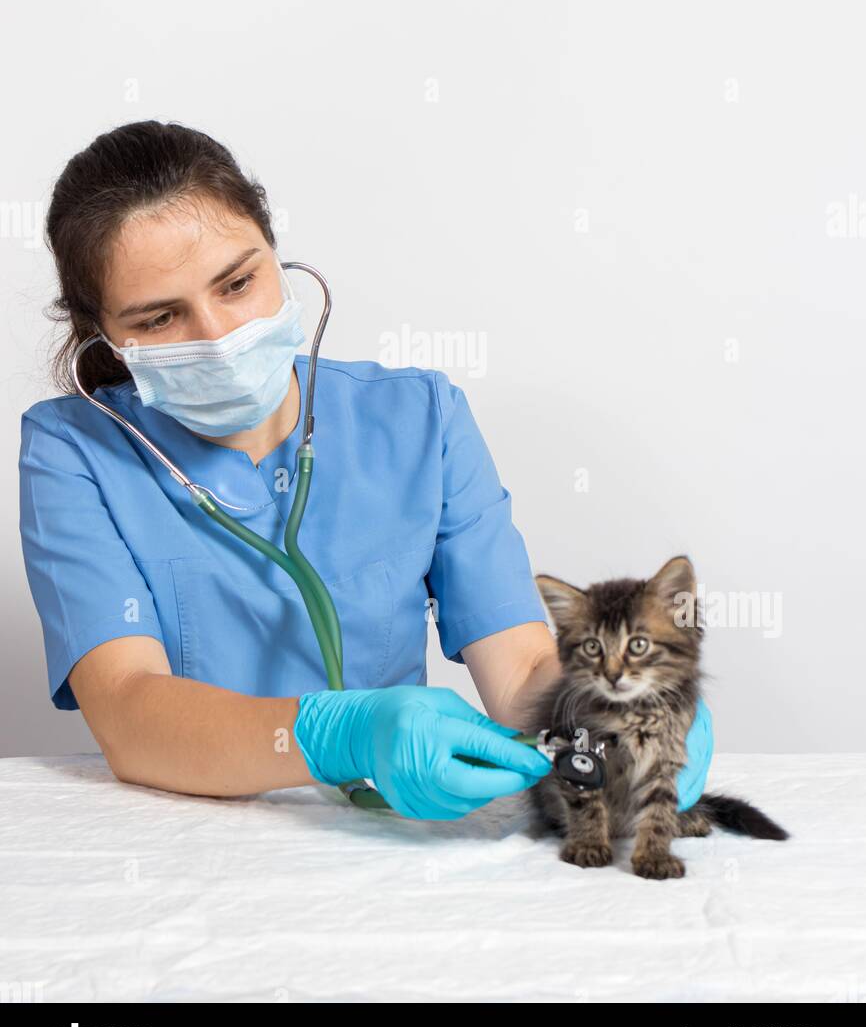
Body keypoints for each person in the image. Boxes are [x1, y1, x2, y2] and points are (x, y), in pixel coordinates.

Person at [18, 120, 713, 821]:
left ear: (276, 257)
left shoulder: (421, 419)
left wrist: (622, 713)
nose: (218, 334)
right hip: (190, 842)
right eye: (161, 317)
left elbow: (526, 670)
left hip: (393, 836)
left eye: (237, 282)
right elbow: (131, 713)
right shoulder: (72, 453)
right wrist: (334, 736)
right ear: (103, 336)